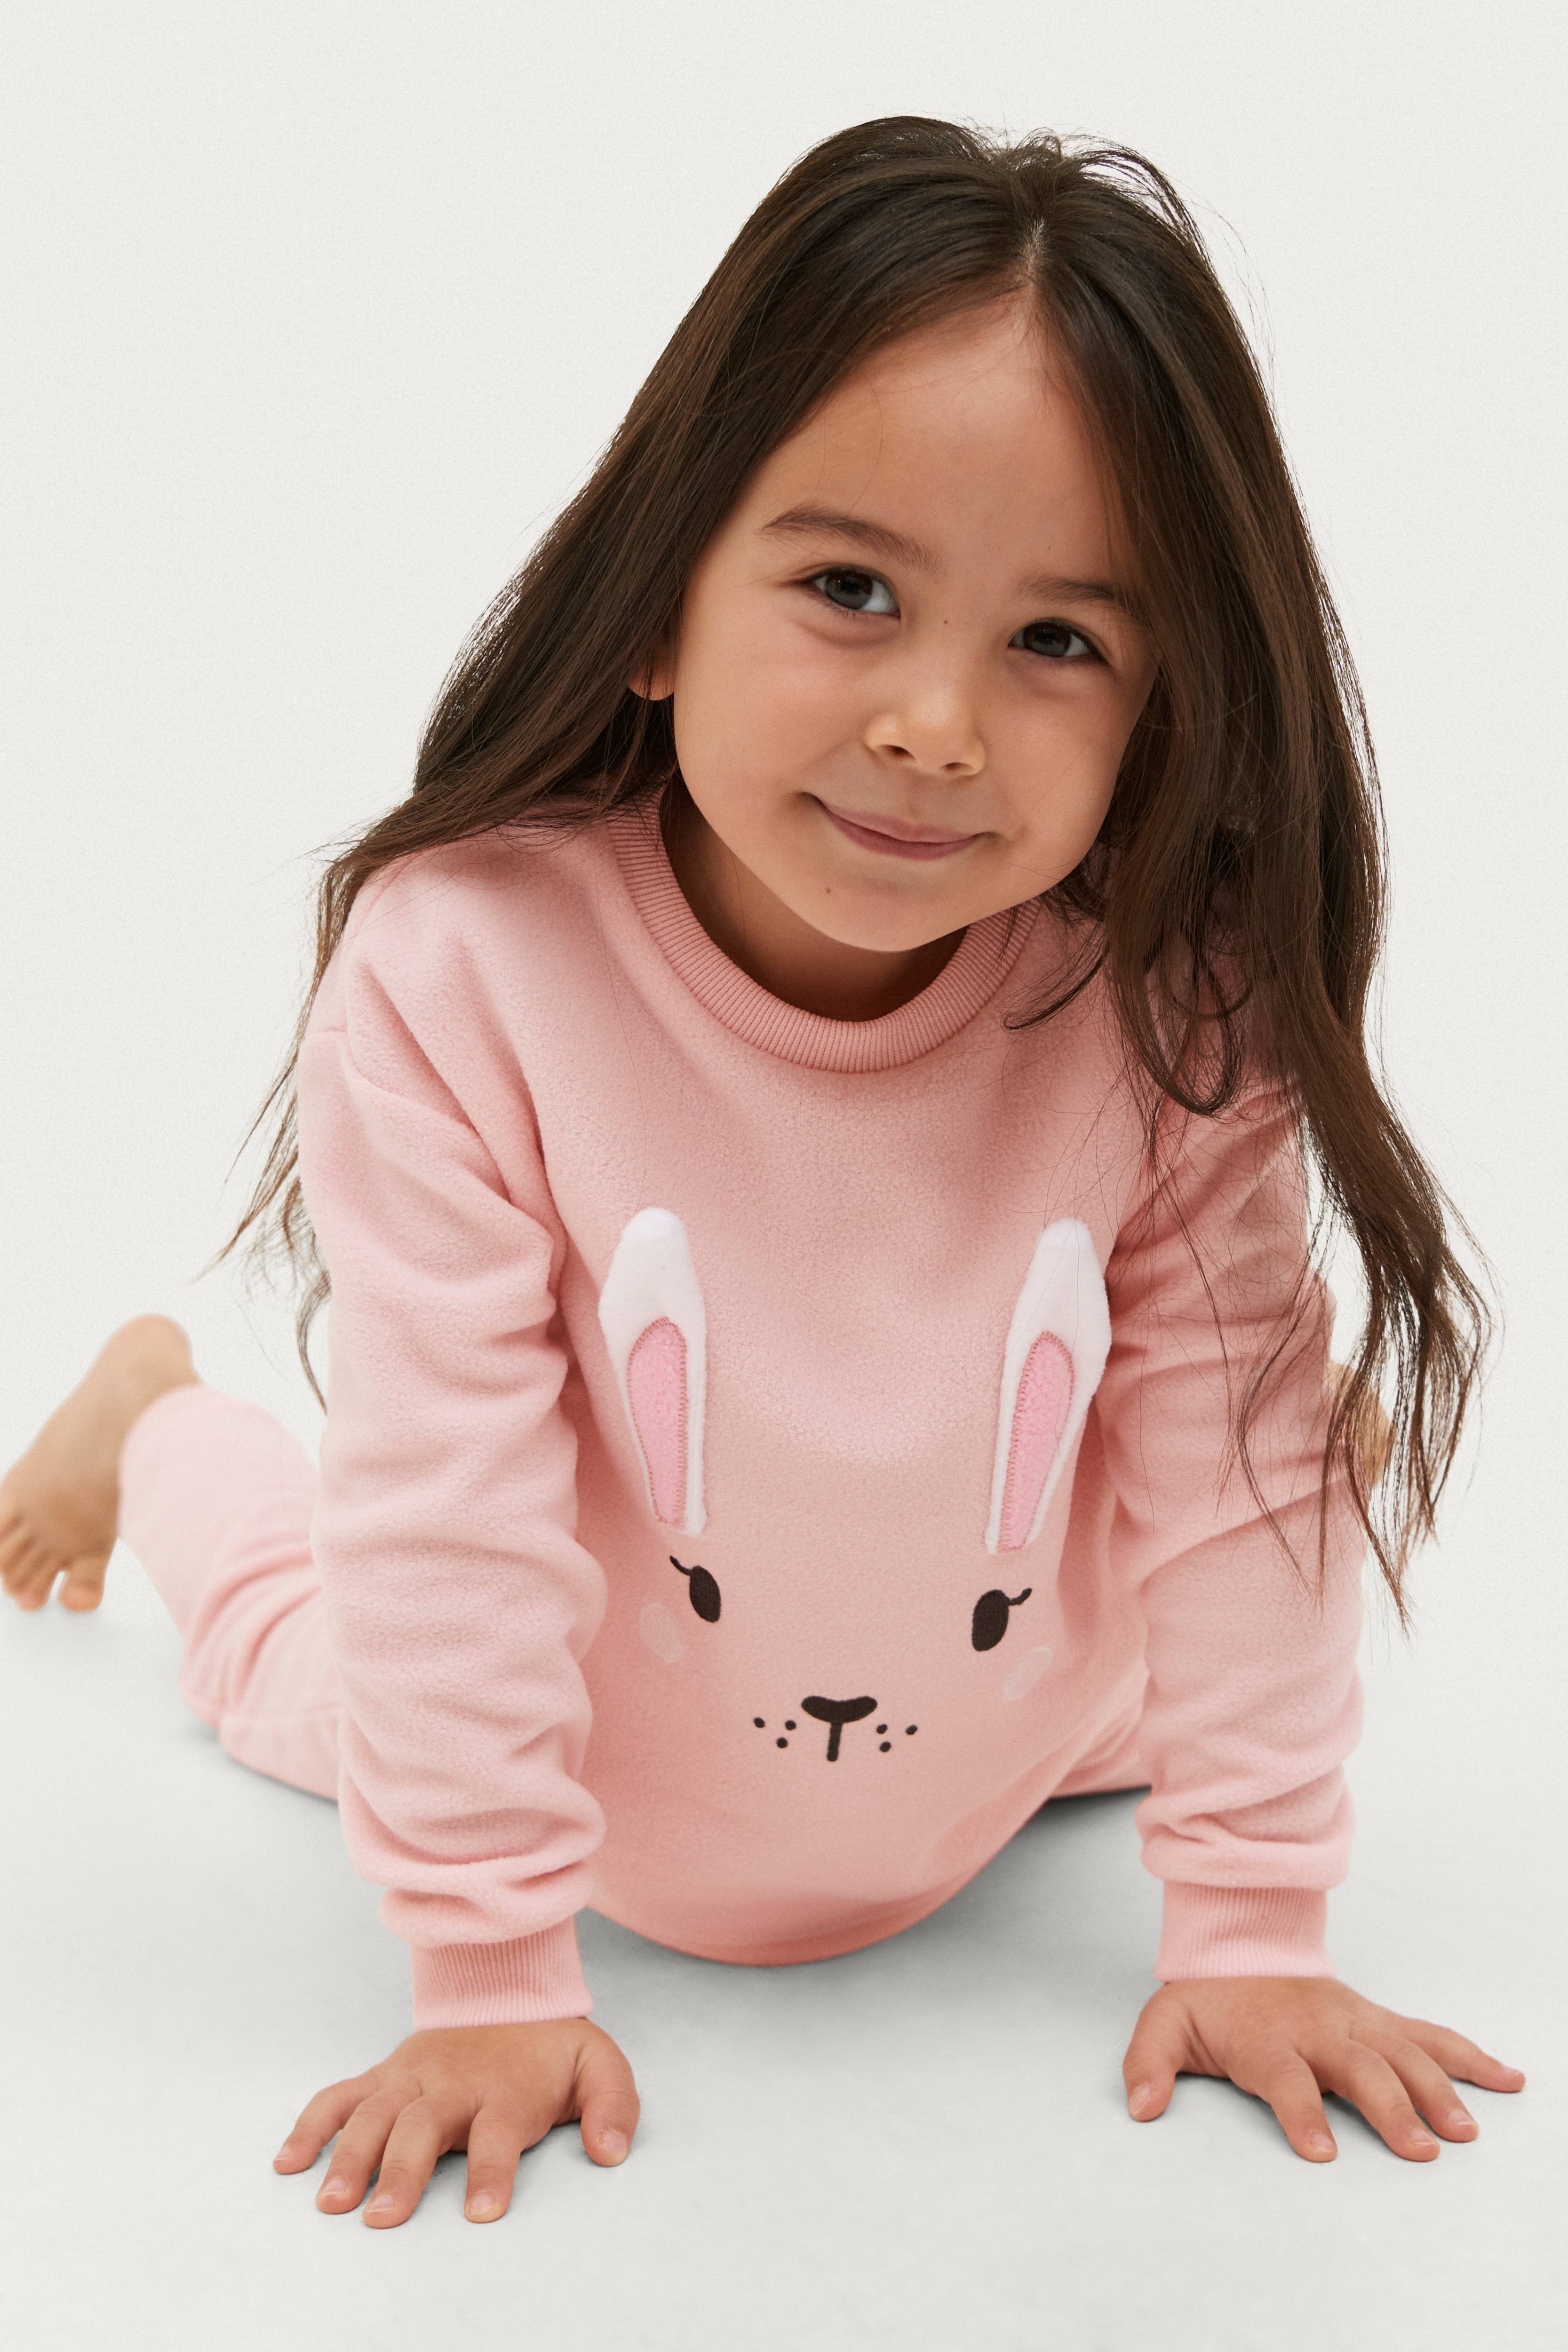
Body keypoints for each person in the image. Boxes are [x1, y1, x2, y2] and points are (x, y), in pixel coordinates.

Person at [0, 118, 1524, 2229]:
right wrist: (489, 1967)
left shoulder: (1168, 1003)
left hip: (1021, 1723)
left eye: (1059, 641)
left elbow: (1235, 1495)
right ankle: (157, 1415)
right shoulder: (470, 968)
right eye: (850, 590)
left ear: (1163, 712)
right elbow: (449, 1506)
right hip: (587, 1752)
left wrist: (1256, 1924)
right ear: (658, 604)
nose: (935, 722)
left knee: (1248, 1500)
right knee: (291, 1639)